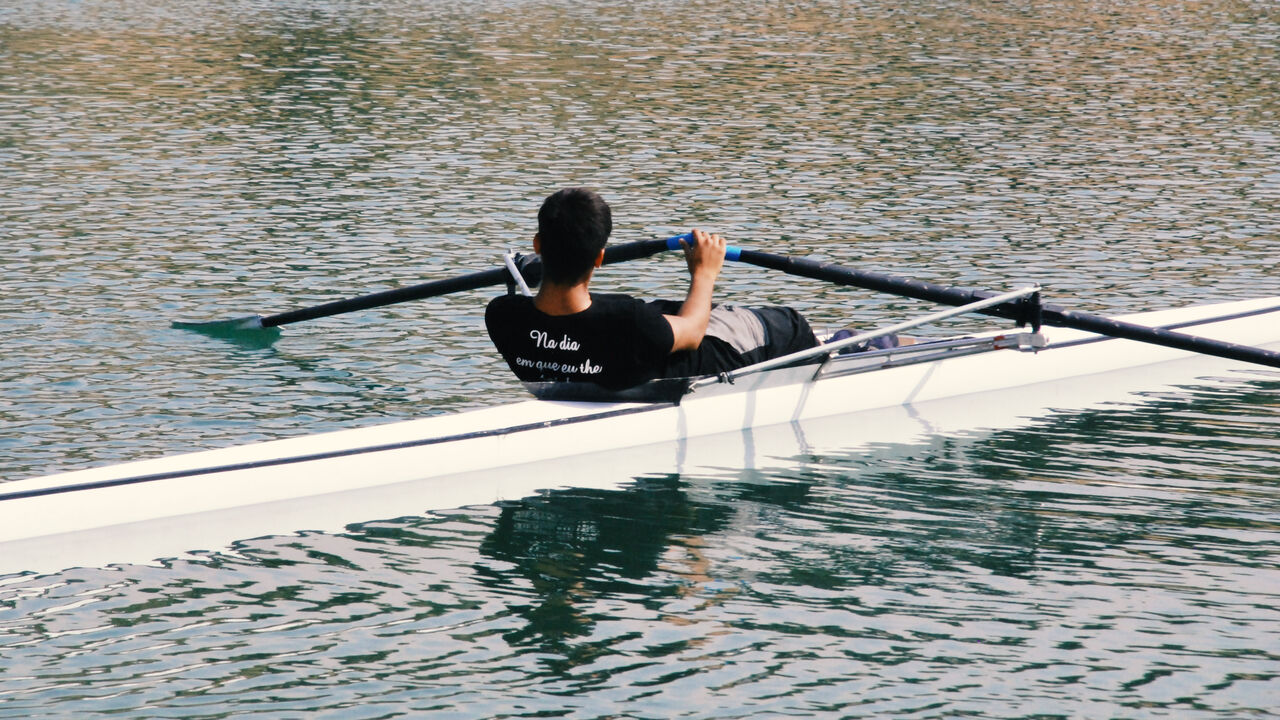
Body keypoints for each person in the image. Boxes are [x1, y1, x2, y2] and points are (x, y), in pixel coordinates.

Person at [485, 187, 892, 390]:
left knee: (670, 311)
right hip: (715, 346)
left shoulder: (502, 316)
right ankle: (853, 343)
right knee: (788, 324)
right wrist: (705, 270)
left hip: (647, 338)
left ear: (538, 247)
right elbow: (694, 331)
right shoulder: (629, 320)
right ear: (599, 258)